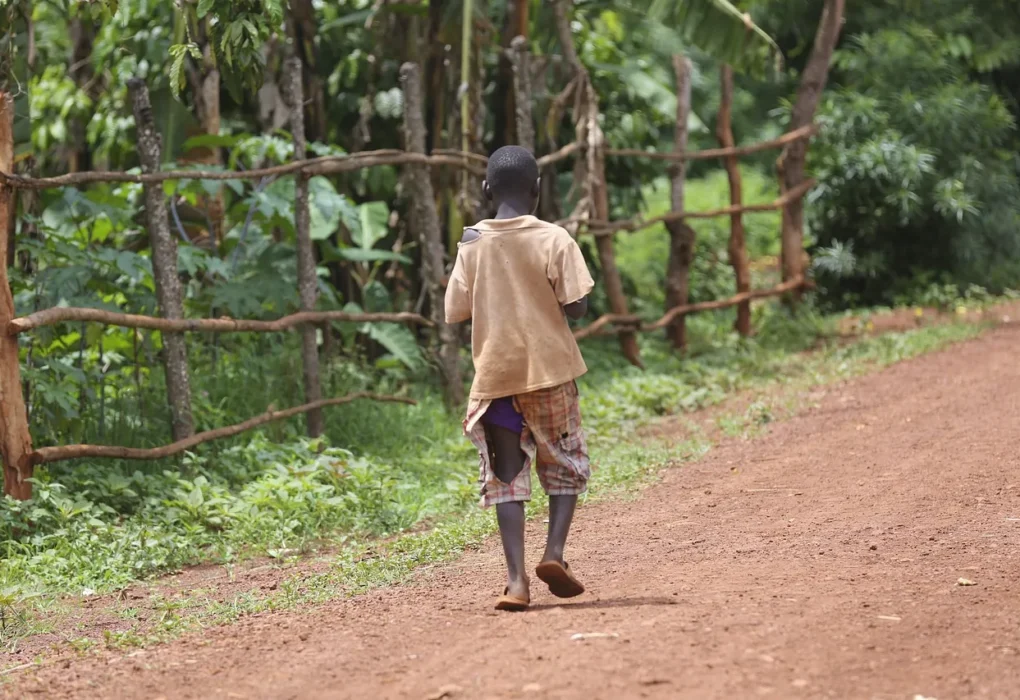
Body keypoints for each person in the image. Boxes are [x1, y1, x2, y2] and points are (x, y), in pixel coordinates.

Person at [445, 145, 594, 611]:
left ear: (487, 190)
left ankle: (515, 581)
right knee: (564, 462)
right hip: (549, 374)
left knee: (506, 475)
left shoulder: (471, 243)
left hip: (497, 379)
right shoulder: (555, 239)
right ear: (537, 189)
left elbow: (457, 310)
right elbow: (577, 306)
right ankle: (554, 554)